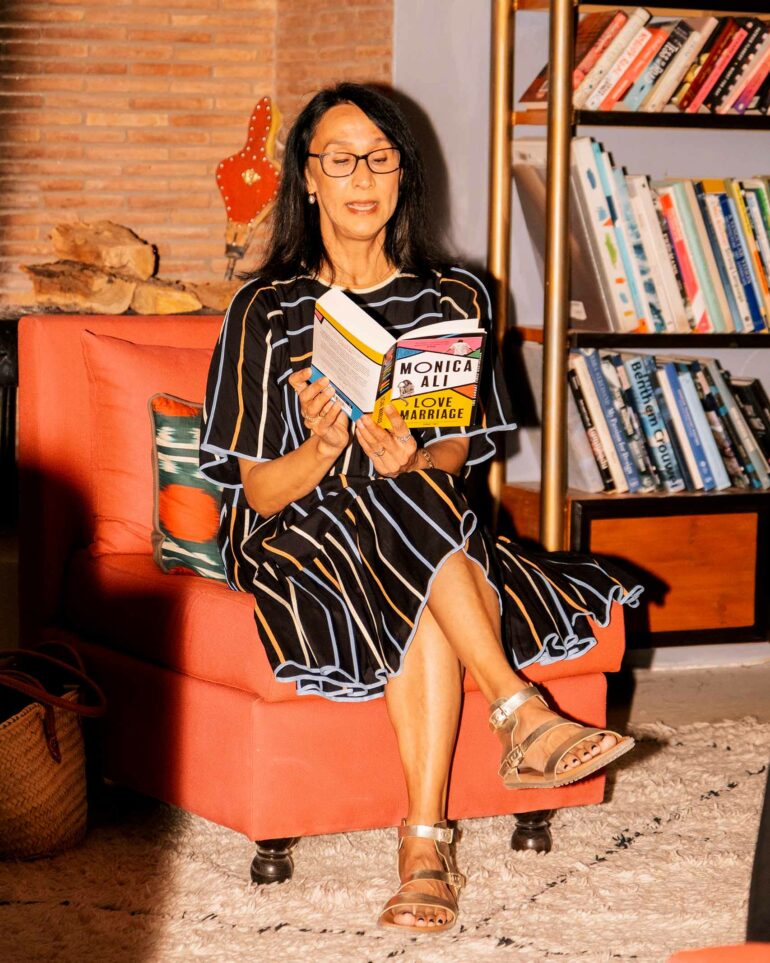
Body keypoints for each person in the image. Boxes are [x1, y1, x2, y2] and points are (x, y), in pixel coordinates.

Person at [199, 82, 642, 934]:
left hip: (417, 512)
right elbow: (257, 490)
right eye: (339, 157)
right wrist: (327, 449)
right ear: (308, 180)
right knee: (407, 524)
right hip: (299, 532)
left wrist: (410, 454)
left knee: (411, 511)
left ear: (403, 173)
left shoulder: (456, 299)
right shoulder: (267, 307)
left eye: (380, 156)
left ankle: (426, 848)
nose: (361, 174)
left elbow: (454, 455)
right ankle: (516, 712)